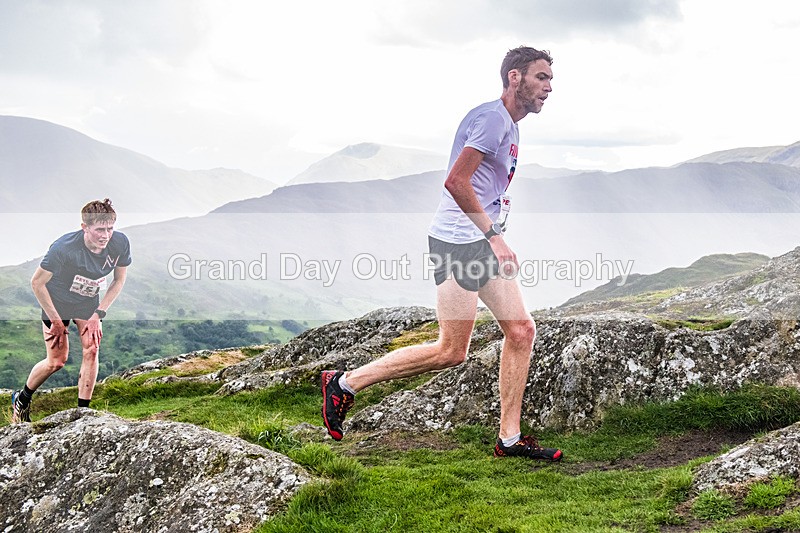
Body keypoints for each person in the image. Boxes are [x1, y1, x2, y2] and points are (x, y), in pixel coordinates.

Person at [322, 46, 561, 461]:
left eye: (551, 80)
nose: (549, 88)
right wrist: (495, 236)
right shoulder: (492, 119)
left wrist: (492, 232)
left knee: (522, 331)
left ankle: (509, 439)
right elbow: (455, 181)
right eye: (542, 78)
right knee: (451, 350)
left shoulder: (508, 124)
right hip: (459, 243)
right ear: (515, 78)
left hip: (477, 241)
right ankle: (344, 384)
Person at [10, 199, 131, 423]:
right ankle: (22, 398)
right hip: (57, 302)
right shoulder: (63, 249)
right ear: (85, 227)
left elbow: (119, 280)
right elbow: (37, 283)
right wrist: (56, 321)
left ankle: (82, 414)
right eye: (99, 230)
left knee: (92, 348)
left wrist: (98, 314)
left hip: (87, 301)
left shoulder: (120, 243)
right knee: (57, 361)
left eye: (110, 228)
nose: (105, 235)